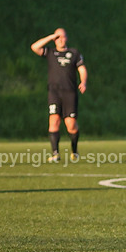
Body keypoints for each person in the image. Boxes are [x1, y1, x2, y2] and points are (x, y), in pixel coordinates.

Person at [30, 28, 87, 163]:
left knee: (71, 124)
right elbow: (34, 47)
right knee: (54, 121)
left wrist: (83, 82)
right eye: (58, 37)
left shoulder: (74, 53)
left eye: (63, 37)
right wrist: (51, 37)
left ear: (67, 38)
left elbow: (82, 69)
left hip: (70, 92)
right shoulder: (50, 52)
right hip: (54, 92)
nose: (60, 39)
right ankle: (55, 153)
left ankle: (74, 150)